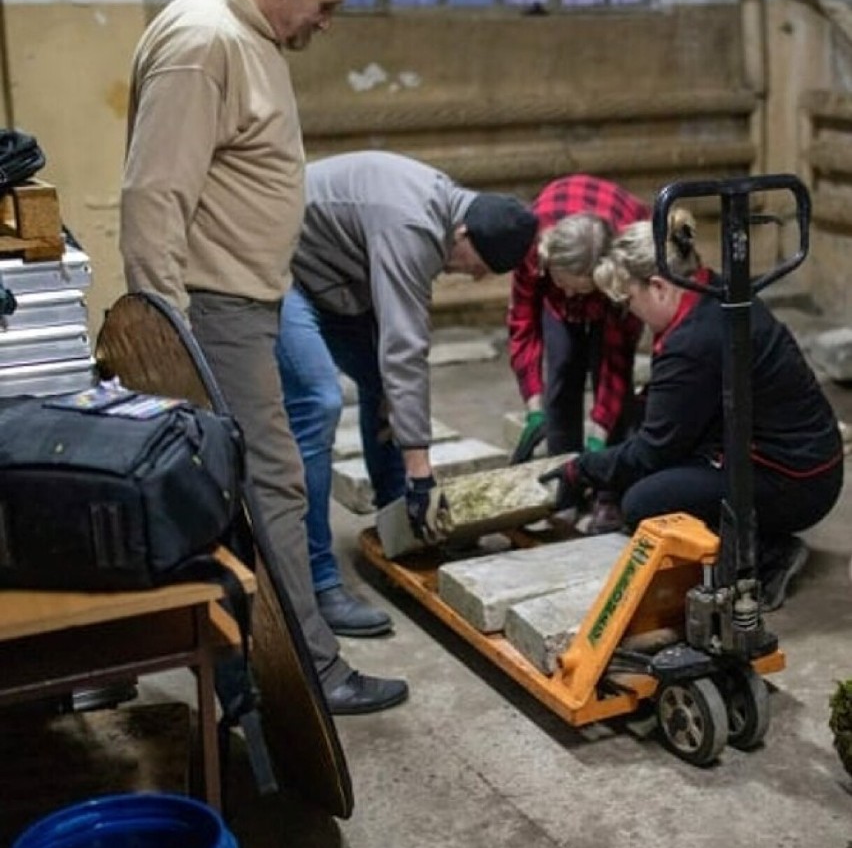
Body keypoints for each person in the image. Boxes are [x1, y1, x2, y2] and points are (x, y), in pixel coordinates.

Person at [120, 0, 408, 714]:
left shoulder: (252, 38)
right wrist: (164, 341)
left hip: (256, 298)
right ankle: (308, 672)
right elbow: (154, 196)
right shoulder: (204, 42)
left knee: (291, 431)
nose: (327, 20)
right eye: (326, 3)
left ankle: (281, 632)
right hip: (214, 310)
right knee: (271, 482)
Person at [275, 150, 539, 636]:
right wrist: (422, 472)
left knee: (383, 390)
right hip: (279, 264)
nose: (476, 277)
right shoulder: (412, 227)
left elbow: (396, 367)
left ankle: (403, 525)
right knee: (319, 401)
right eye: (478, 265)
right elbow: (404, 348)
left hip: (334, 272)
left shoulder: (449, 210)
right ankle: (314, 583)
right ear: (462, 235)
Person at [540, 209, 844, 611]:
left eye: (630, 298)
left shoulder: (693, 342)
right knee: (643, 418)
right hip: (807, 458)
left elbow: (653, 450)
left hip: (798, 482)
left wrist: (583, 469)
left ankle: (767, 553)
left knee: (643, 503)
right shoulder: (713, 290)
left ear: (659, 287)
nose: (630, 311)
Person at [507, 174, 649, 532]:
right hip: (566, 258)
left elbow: (616, 363)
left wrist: (599, 435)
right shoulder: (532, 246)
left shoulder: (623, 270)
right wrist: (533, 405)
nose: (571, 297)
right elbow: (522, 323)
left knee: (609, 375)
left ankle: (608, 492)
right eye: (564, 286)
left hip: (611, 280)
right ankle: (566, 487)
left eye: (579, 291)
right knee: (562, 365)